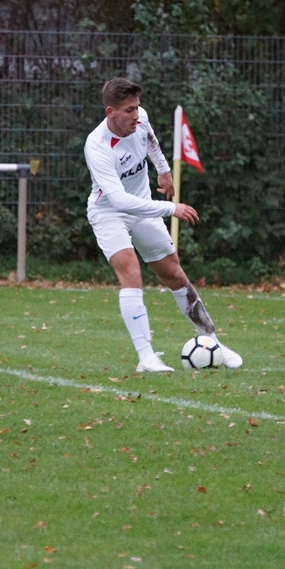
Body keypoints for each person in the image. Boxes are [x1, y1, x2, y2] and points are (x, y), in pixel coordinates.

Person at [84, 77, 243, 373]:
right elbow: (118, 201)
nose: (136, 115)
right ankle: (146, 357)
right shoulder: (97, 147)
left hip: (143, 204)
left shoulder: (140, 119)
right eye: (129, 110)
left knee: (174, 273)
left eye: (137, 107)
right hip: (109, 213)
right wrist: (172, 208)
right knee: (130, 270)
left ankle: (212, 341)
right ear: (110, 112)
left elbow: (150, 141)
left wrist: (164, 171)